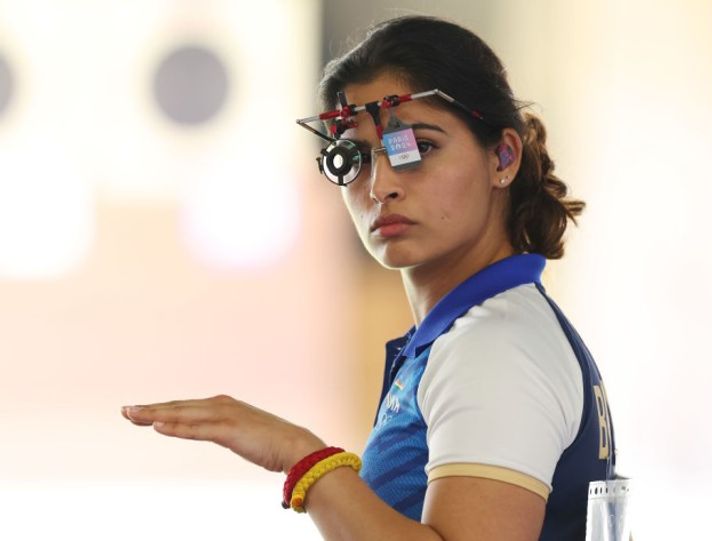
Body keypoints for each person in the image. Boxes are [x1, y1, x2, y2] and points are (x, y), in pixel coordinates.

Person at [121, 15, 616, 541]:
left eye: (416, 148)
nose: (379, 186)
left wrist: (303, 458)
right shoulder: (479, 332)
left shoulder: (494, 346)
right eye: (351, 158)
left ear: (503, 156)